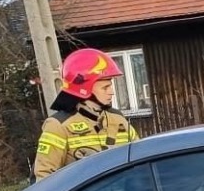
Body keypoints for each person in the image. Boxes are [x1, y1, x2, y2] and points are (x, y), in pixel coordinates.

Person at [33, 48, 138, 180]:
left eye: (110, 86)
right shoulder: (58, 126)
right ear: (83, 89)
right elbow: (44, 179)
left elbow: (140, 159)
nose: (112, 92)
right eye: (105, 87)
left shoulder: (118, 120)